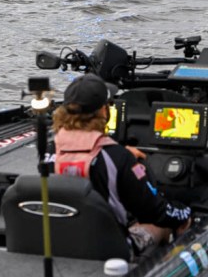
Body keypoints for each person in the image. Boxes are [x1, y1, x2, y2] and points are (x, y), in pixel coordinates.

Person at [52, 73, 192, 254]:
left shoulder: (50, 150)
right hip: (109, 248)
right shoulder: (118, 158)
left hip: (62, 240)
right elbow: (154, 211)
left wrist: (119, 151)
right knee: (164, 225)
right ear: (103, 111)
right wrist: (184, 212)